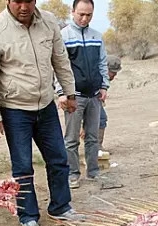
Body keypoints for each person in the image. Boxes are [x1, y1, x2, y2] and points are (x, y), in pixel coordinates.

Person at [0, 0, 85, 226]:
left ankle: (60, 207)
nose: (24, 6)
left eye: (29, 0)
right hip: (15, 109)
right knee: (23, 166)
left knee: (58, 158)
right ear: (8, 1)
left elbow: (60, 60)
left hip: (45, 105)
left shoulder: (48, 22)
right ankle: (28, 215)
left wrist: (69, 92)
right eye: (18, 1)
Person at [57, 0, 109, 189]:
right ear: (72, 12)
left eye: (89, 15)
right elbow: (58, 66)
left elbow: (103, 62)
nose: (84, 18)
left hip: (94, 95)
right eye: (81, 14)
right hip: (74, 97)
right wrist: (61, 92)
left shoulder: (97, 36)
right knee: (71, 139)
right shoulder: (63, 36)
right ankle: (72, 173)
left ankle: (93, 172)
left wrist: (104, 86)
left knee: (92, 137)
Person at [98, 55, 122, 152]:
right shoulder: (96, 75)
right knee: (100, 119)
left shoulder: (105, 78)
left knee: (101, 119)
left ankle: (97, 146)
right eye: (112, 72)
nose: (114, 75)